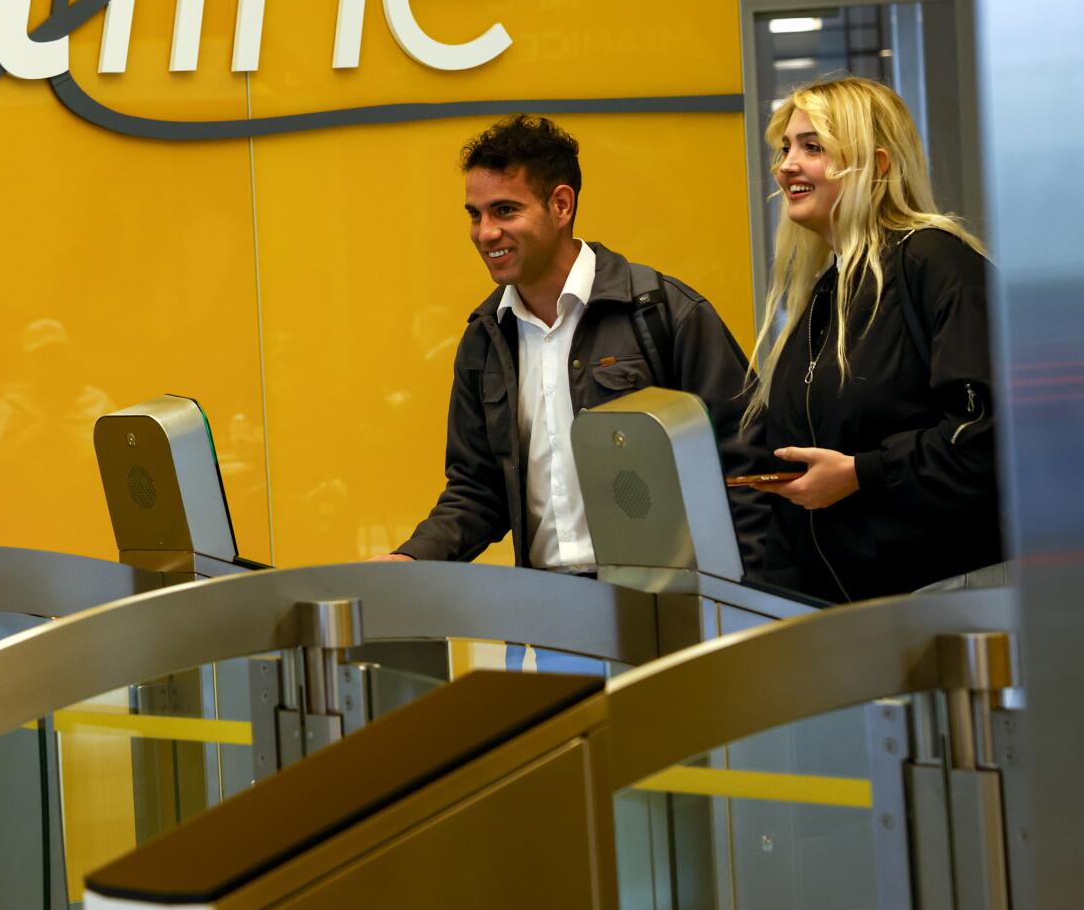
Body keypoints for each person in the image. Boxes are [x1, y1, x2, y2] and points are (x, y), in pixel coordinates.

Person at [375, 116, 771, 596]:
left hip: (671, 606)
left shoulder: (663, 312)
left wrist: (749, 605)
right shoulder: (484, 340)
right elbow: (478, 491)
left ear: (561, 205)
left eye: (504, 210)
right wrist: (412, 557)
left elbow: (745, 467)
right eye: (475, 214)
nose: (485, 233)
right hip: (552, 613)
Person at [742, 76, 999, 603]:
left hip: (944, 602)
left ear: (878, 165)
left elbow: (986, 437)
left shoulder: (936, 263)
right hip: (843, 614)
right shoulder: (826, 292)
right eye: (786, 147)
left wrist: (864, 473)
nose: (786, 164)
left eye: (812, 147)